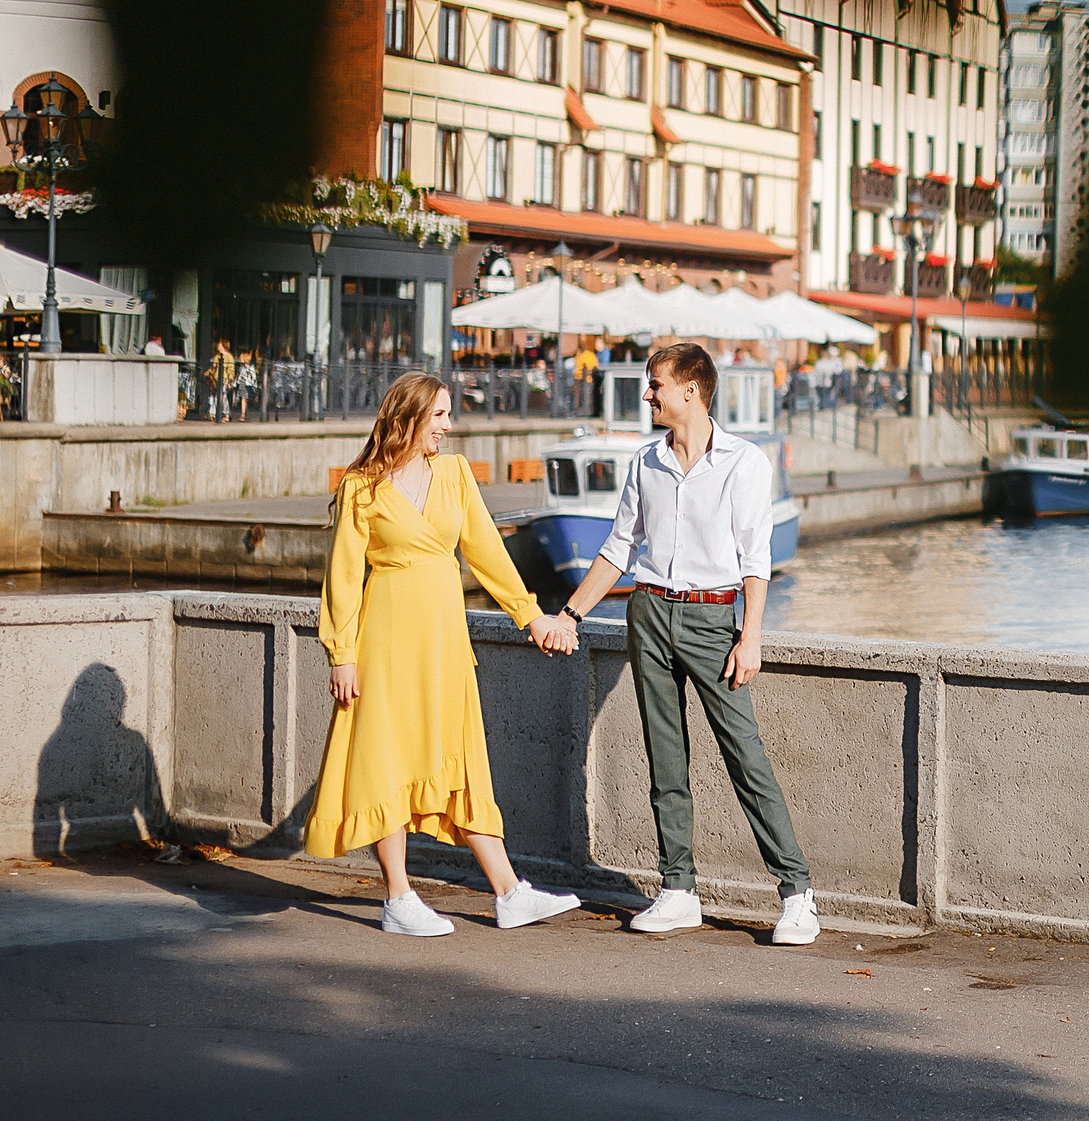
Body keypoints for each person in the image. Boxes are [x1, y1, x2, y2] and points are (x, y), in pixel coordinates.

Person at [551, 340, 817, 945]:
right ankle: (678, 890)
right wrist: (569, 614)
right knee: (665, 757)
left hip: (713, 619)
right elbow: (619, 548)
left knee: (744, 755)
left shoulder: (744, 462)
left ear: (691, 390)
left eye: (656, 385)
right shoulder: (646, 461)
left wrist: (751, 637)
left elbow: (755, 558)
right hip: (649, 612)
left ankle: (797, 894)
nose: (648, 395)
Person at [306, 371, 585, 937]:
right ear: (409, 417)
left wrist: (531, 616)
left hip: (444, 643)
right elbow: (343, 577)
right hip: (384, 642)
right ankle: (398, 898)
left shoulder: (455, 474)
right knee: (386, 760)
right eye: (439, 415)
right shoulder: (362, 486)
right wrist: (341, 653)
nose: (448, 426)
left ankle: (509, 893)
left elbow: (487, 552)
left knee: (461, 758)